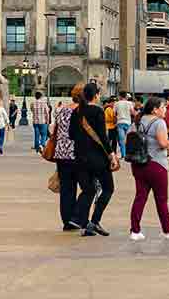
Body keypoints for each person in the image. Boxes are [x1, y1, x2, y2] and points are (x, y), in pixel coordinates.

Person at [128, 97, 169, 240]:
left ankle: (135, 231)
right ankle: (168, 230)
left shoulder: (138, 121)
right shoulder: (159, 122)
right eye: (163, 107)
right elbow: (163, 143)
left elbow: (127, 139)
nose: (165, 109)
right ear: (155, 109)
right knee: (161, 199)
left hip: (138, 164)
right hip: (156, 164)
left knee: (140, 197)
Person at [70, 82, 118, 237]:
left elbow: (71, 135)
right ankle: (94, 221)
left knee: (88, 189)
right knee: (108, 188)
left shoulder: (76, 112)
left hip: (79, 157)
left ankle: (78, 219)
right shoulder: (97, 111)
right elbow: (103, 137)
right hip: (97, 158)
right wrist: (111, 154)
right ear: (96, 95)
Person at [49, 94, 81, 232]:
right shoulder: (81, 112)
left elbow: (54, 129)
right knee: (88, 188)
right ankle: (76, 217)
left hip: (61, 153)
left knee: (67, 188)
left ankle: (67, 221)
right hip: (77, 153)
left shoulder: (62, 110)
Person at [113, 92, 135, 156]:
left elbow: (114, 114)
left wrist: (115, 121)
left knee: (122, 140)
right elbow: (132, 113)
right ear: (126, 96)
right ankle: (129, 153)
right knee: (128, 139)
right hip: (128, 123)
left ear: (120, 96)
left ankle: (123, 155)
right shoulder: (129, 103)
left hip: (120, 123)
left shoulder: (116, 104)